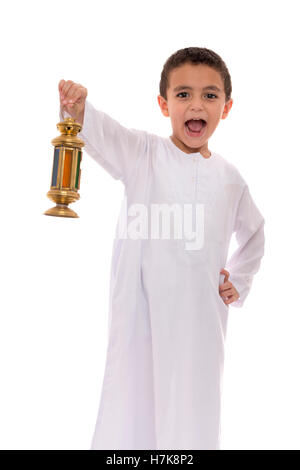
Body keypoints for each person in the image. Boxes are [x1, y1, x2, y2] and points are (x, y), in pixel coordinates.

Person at [58, 47, 265, 450]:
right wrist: (78, 108)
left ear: (226, 107)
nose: (196, 105)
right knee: (133, 407)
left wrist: (238, 279)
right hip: (143, 315)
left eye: (210, 95)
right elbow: (103, 132)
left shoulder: (230, 178)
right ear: (163, 103)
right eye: (183, 94)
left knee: (194, 414)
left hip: (201, 323)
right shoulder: (143, 154)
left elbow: (255, 233)